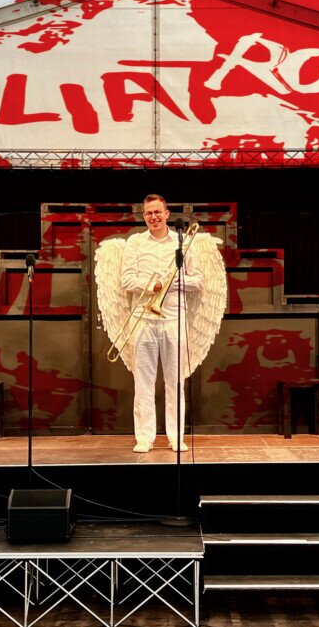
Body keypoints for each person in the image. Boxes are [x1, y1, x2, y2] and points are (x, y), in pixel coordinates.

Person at [120, 194, 203, 452]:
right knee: (143, 382)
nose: (153, 217)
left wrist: (174, 283)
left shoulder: (184, 241)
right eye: (148, 213)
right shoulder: (134, 243)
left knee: (175, 382)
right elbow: (126, 280)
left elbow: (198, 280)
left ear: (167, 214)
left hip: (174, 318)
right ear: (144, 216)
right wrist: (153, 286)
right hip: (143, 317)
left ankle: (176, 437)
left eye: (157, 212)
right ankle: (145, 438)